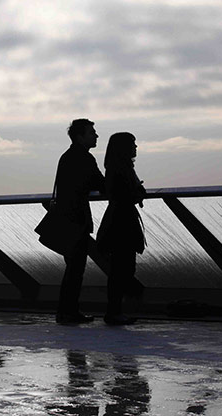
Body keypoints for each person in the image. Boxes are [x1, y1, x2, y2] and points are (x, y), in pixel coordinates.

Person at [54, 119, 106, 324]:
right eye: (92, 132)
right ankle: (69, 312)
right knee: (76, 269)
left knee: (72, 269)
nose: (96, 135)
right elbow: (100, 184)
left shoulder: (66, 157)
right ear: (80, 136)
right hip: (77, 221)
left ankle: (66, 311)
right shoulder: (84, 159)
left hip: (66, 220)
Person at [97, 132, 146, 326]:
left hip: (119, 220)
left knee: (121, 267)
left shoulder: (116, 167)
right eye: (133, 144)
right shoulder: (121, 168)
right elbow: (124, 193)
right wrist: (137, 192)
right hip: (122, 222)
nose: (136, 147)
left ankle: (116, 310)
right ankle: (114, 311)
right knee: (122, 267)